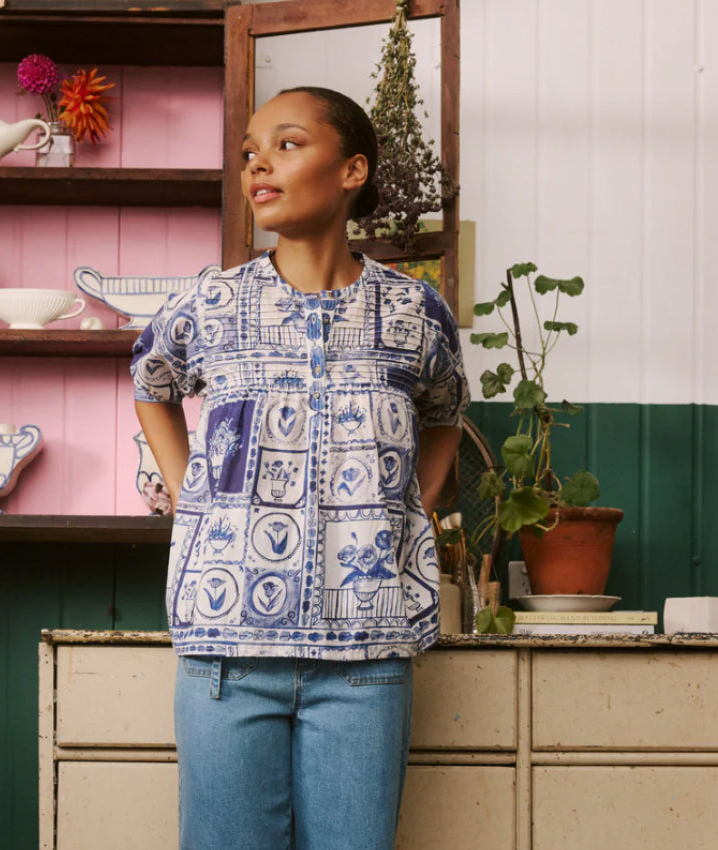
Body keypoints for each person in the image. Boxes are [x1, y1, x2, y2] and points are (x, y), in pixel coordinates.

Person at [131, 86, 469, 850]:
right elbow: (150, 381)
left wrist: (409, 508)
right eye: (250, 151)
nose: (258, 164)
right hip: (227, 652)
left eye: (286, 144)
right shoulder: (210, 302)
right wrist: (191, 497)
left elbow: (447, 409)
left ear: (352, 170)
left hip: (365, 659)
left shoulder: (415, 312)